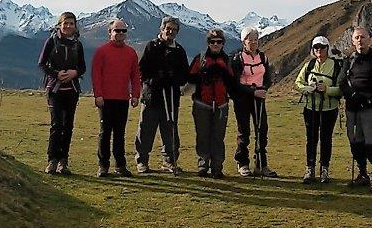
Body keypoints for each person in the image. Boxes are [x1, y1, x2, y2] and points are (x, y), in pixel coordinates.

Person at [188, 29, 254, 178]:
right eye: (212, 42)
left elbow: (233, 82)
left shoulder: (227, 60)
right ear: (208, 43)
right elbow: (190, 77)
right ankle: (203, 165)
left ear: (223, 43)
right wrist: (204, 74)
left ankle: (217, 167)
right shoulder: (201, 58)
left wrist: (223, 74)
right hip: (202, 103)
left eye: (219, 42)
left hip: (221, 104)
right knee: (203, 136)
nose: (216, 44)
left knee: (218, 137)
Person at [135, 16, 190, 174]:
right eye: (168, 29)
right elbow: (142, 69)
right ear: (162, 29)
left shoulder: (179, 50)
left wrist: (175, 80)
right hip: (152, 96)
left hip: (171, 97)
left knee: (170, 131)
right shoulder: (152, 46)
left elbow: (184, 73)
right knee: (146, 130)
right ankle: (142, 161)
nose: (171, 32)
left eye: (174, 30)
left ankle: (169, 161)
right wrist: (153, 80)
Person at [340, 27, 372, 192]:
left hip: (371, 109)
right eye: (357, 38)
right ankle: (362, 173)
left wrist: (368, 99)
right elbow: (342, 82)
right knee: (356, 143)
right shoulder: (349, 60)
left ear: (370, 39)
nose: (360, 40)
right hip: (352, 109)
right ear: (352, 41)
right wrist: (353, 95)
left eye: (363, 37)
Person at [91, 19, 141, 177]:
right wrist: (98, 95)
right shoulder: (101, 51)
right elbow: (96, 75)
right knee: (105, 133)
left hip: (122, 99)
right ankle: (103, 165)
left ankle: (120, 165)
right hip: (105, 99)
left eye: (123, 31)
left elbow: (135, 75)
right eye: (117, 30)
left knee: (120, 133)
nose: (120, 33)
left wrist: (135, 95)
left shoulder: (131, 52)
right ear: (110, 32)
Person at [38, 12, 86, 175]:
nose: (68, 26)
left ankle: (63, 162)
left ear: (75, 26)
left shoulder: (77, 45)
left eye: (71, 23)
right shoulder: (51, 41)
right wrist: (56, 74)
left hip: (72, 90)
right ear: (59, 25)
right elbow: (42, 63)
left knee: (68, 126)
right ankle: (52, 160)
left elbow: (82, 67)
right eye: (65, 23)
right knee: (56, 125)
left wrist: (74, 73)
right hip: (55, 89)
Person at [294, 36, 344, 184]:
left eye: (322, 47)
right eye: (316, 48)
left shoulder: (336, 66)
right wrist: (309, 89)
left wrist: (327, 89)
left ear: (327, 48)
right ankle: (310, 169)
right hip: (311, 109)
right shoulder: (309, 65)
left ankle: (324, 169)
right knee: (311, 139)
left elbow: (341, 89)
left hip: (329, 109)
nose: (319, 50)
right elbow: (298, 83)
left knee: (326, 139)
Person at [229, 27, 276, 177]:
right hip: (242, 99)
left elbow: (267, 76)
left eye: (256, 39)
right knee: (244, 132)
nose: (254, 42)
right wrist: (252, 91)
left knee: (262, 130)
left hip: (259, 98)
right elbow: (235, 83)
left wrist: (264, 88)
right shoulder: (237, 58)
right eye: (250, 40)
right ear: (244, 41)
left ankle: (261, 164)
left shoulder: (262, 56)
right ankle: (242, 163)